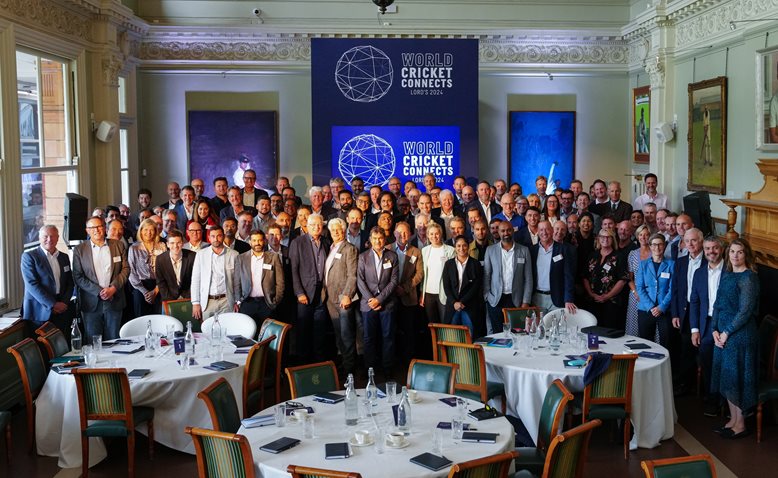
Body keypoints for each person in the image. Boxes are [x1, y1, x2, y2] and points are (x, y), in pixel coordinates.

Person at [710, 238, 760, 439]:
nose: (735, 256)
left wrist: (726, 332)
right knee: (727, 377)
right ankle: (732, 420)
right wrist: (714, 329)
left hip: (740, 335)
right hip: (722, 333)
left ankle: (740, 425)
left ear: (746, 254)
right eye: (732, 251)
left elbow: (745, 311)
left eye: (740, 252)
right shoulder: (728, 274)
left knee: (736, 378)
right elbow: (717, 304)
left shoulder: (749, 278)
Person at [72, 217, 130, 342]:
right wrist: (99, 291)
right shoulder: (79, 250)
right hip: (91, 301)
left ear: (104, 228)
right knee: (93, 340)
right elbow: (78, 276)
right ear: (87, 230)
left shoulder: (118, 245)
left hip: (115, 299)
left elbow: (125, 269)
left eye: (99, 226)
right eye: (92, 227)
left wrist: (113, 288)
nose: (96, 230)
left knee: (113, 339)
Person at [689, 235, 726, 417]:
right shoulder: (699, 273)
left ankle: (727, 401)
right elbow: (694, 302)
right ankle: (712, 399)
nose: (711, 252)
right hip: (706, 324)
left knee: (725, 363)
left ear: (722, 249)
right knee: (707, 362)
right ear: (704, 251)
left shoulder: (731, 270)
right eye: (708, 248)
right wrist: (695, 329)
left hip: (726, 323)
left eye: (715, 248)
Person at [289, 213, 332, 363]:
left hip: (322, 292)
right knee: (304, 330)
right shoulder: (298, 242)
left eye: (319, 224)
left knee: (320, 330)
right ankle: (303, 364)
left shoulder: (326, 242)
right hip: (305, 293)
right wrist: (299, 292)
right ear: (307, 226)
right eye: (313, 225)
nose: (316, 227)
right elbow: (293, 270)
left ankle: (319, 363)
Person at [357, 226, 399, 378]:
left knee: (388, 337)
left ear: (385, 239)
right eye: (374, 238)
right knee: (369, 338)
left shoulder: (392, 256)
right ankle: (370, 369)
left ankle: (387, 368)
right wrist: (371, 300)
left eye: (380, 238)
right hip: (368, 304)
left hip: (387, 303)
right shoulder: (363, 257)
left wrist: (380, 299)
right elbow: (360, 280)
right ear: (370, 240)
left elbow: (394, 281)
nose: (377, 241)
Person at [669, 227, 706, 397]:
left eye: (694, 240)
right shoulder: (681, 262)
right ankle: (685, 385)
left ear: (701, 242)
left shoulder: (709, 261)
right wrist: (675, 313)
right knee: (686, 349)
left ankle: (704, 389)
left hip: (704, 312)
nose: (690, 244)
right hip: (685, 310)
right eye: (687, 241)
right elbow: (675, 290)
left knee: (703, 349)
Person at [21, 225, 74, 337]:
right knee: (40, 346)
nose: (49, 239)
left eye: (52, 236)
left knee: (61, 344)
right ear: (39, 238)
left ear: (58, 238)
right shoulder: (29, 256)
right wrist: (53, 304)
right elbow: (31, 285)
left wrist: (64, 303)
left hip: (61, 310)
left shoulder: (64, 257)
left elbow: (70, 282)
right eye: (45, 236)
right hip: (39, 312)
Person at [483, 220, 533, 335]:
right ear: (499, 232)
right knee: (497, 334)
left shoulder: (524, 250)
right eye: (503, 231)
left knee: (518, 334)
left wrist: (526, 301)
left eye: (508, 230)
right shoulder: (490, 250)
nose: (506, 233)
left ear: (513, 231)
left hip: (516, 300)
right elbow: (487, 275)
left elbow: (528, 278)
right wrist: (487, 296)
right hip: (496, 300)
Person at [322, 218, 359, 375]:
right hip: (330, 299)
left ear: (344, 230)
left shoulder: (349, 248)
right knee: (339, 334)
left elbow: (353, 275)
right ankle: (344, 363)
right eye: (333, 230)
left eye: (338, 229)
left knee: (346, 335)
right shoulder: (331, 247)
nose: (335, 232)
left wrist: (347, 295)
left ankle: (350, 370)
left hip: (343, 298)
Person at [236, 229, 284, 331]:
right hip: (247, 303)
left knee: (266, 334)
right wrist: (239, 300)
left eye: (260, 240)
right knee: (247, 333)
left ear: (264, 241)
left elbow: (280, 283)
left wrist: (275, 301)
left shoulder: (274, 258)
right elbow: (237, 282)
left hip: (267, 303)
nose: (257, 243)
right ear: (250, 242)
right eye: (254, 240)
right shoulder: (241, 258)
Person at [190, 226, 240, 321]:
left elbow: (237, 281)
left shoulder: (234, 254)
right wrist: (195, 303)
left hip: (226, 301)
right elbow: (196, 280)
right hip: (207, 301)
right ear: (209, 238)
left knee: (227, 328)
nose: (216, 239)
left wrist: (237, 301)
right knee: (207, 329)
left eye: (219, 236)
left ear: (223, 236)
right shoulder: (201, 254)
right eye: (213, 236)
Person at [583, 229, 628, 330]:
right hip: (592, 301)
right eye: (602, 237)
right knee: (593, 331)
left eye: (608, 237)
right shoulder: (592, 255)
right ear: (598, 239)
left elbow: (622, 280)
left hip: (611, 302)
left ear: (613, 239)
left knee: (608, 332)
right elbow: (585, 277)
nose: (605, 239)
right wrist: (591, 294)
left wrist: (607, 296)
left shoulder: (619, 256)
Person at [635, 233, 674, 346]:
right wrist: (651, 307)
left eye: (660, 244)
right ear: (650, 246)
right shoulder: (643, 265)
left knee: (667, 342)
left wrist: (662, 307)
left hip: (665, 309)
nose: (657, 247)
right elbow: (640, 288)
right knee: (646, 343)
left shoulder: (672, 264)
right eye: (654, 244)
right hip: (646, 309)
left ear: (664, 246)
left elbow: (673, 289)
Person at [393, 221, 424, 362]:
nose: (402, 235)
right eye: (399, 232)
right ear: (394, 234)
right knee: (391, 330)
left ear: (410, 234)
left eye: (405, 232)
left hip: (409, 296)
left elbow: (419, 274)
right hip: (390, 296)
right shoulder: (388, 249)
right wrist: (394, 288)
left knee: (409, 330)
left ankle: (409, 361)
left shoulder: (416, 252)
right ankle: (394, 359)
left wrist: (404, 288)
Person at [530, 221, 576, 316]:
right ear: (538, 232)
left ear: (552, 230)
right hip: (536, 298)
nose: (544, 232)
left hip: (557, 297)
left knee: (557, 325)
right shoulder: (532, 250)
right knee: (538, 325)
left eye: (547, 229)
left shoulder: (563, 249)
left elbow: (568, 276)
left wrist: (568, 299)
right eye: (541, 230)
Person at [442, 235, 484, 336]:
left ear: (468, 246)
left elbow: (475, 287)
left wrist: (462, 302)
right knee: (452, 336)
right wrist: (454, 303)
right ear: (455, 247)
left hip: (469, 306)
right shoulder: (448, 264)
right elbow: (446, 287)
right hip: (453, 306)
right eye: (458, 246)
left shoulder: (476, 264)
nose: (461, 248)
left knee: (470, 335)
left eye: (464, 245)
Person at [128, 218, 167, 316]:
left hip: (159, 285)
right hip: (140, 287)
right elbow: (131, 272)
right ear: (141, 231)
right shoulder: (134, 248)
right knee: (142, 318)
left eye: (151, 230)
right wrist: (145, 292)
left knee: (159, 317)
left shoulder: (162, 246)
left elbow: (166, 269)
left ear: (155, 231)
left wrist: (156, 290)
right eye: (146, 229)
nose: (149, 233)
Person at [420, 223, 456, 325]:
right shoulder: (424, 251)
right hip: (428, 293)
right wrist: (422, 293)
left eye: (436, 233)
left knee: (445, 323)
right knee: (432, 324)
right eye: (431, 234)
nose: (434, 236)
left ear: (441, 234)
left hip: (444, 293)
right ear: (427, 235)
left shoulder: (450, 250)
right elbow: (423, 274)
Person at [625, 225, 651, 336]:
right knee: (635, 325)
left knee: (649, 325)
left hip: (651, 294)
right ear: (637, 236)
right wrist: (635, 292)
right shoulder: (632, 254)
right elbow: (629, 278)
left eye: (646, 235)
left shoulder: (655, 252)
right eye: (641, 235)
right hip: (636, 295)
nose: (643, 237)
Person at [156, 229, 195, 301]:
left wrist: (189, 297)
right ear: (167, 244)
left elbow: (195, 279)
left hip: (189, 296)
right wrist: (169, 299)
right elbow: (161, 282)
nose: (175, 246)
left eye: (178, 243)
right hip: (169, 297)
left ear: (183, 243)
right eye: (172, 243)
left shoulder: (192, 256)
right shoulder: (160, 259)